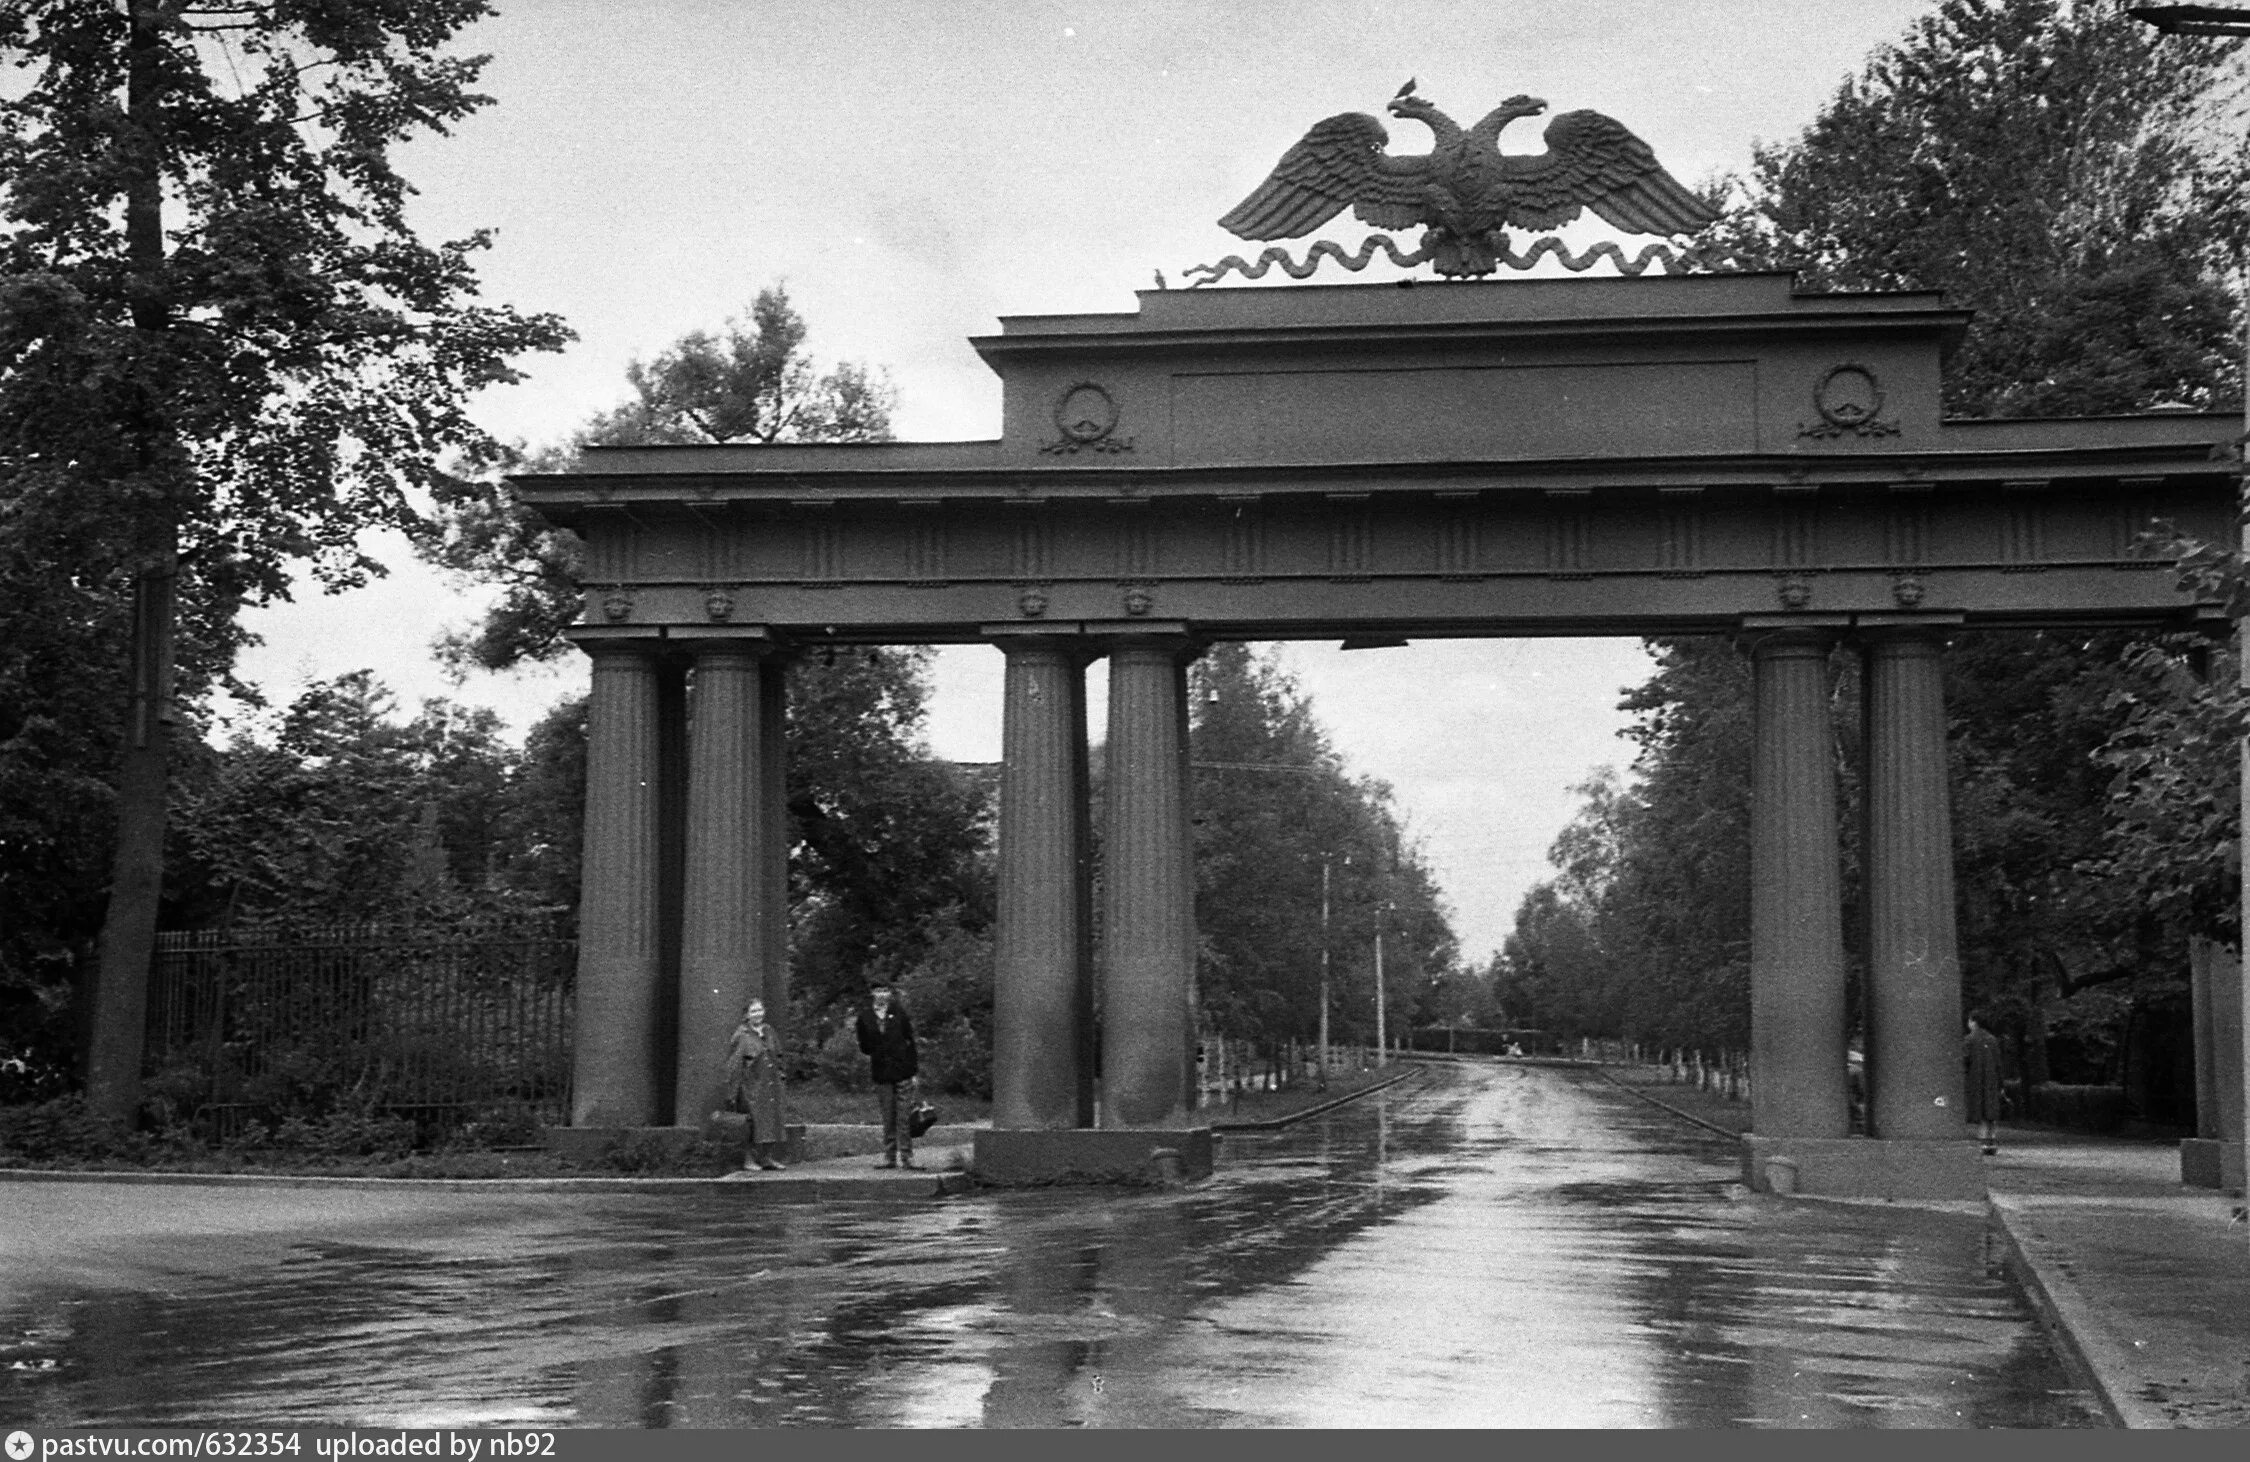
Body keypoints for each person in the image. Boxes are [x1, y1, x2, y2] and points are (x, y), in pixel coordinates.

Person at [856, 982, 920, 1169]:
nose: (882, 995)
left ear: (890, 993)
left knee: (903, 1115)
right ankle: (889, 1156)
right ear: (872, 993)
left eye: (885, 991)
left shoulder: (899, 1012)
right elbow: (864, 1045)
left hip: (903, 1069)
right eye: (878, 991)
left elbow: (910, 1040)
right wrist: (877, 1049)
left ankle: (907, 1156)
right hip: (882, 1071)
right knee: (888, 1115)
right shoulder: (865, 1017)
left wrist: (914, 1070)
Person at [726, 998, 787, 1171]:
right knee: (753, 1122)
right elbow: (734, 1064)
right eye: (753, 1011)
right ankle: (749, 1159)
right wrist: (733, 1091)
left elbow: (779, 1054)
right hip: (752, 1085)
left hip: (772, 1084)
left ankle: (766, 1157)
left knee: (773, 1119)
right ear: (746, 1015)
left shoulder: (769, 1031)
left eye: (760, 1010)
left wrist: (781, 1075)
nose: (757, 1014)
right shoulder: (742, 1035)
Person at [1964, 1014, 2003, 1156]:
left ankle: (1983, 1142)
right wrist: (2001, 1083)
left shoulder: (1969, 1040)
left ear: (1974, 1022)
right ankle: (1991, 1141)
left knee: (1980, 1113)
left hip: (1976, 1081)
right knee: (1991, 1112)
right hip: (1992, 1081)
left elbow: (1965, 1061)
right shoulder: (1992, 1040)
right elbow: (1999, 1064)